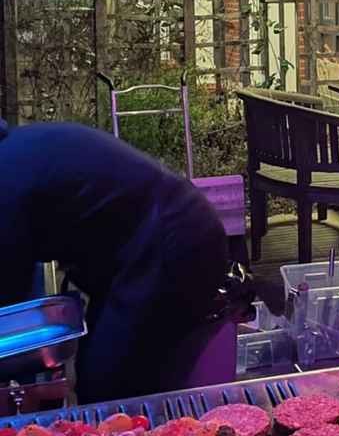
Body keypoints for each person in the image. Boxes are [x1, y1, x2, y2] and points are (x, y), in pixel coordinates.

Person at [0, 120, 234, 404]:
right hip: (160, 246)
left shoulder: (8, 175)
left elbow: (9, 291)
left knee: (112, 390)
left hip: (171, 248)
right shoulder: (18, 149)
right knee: (103, 378)